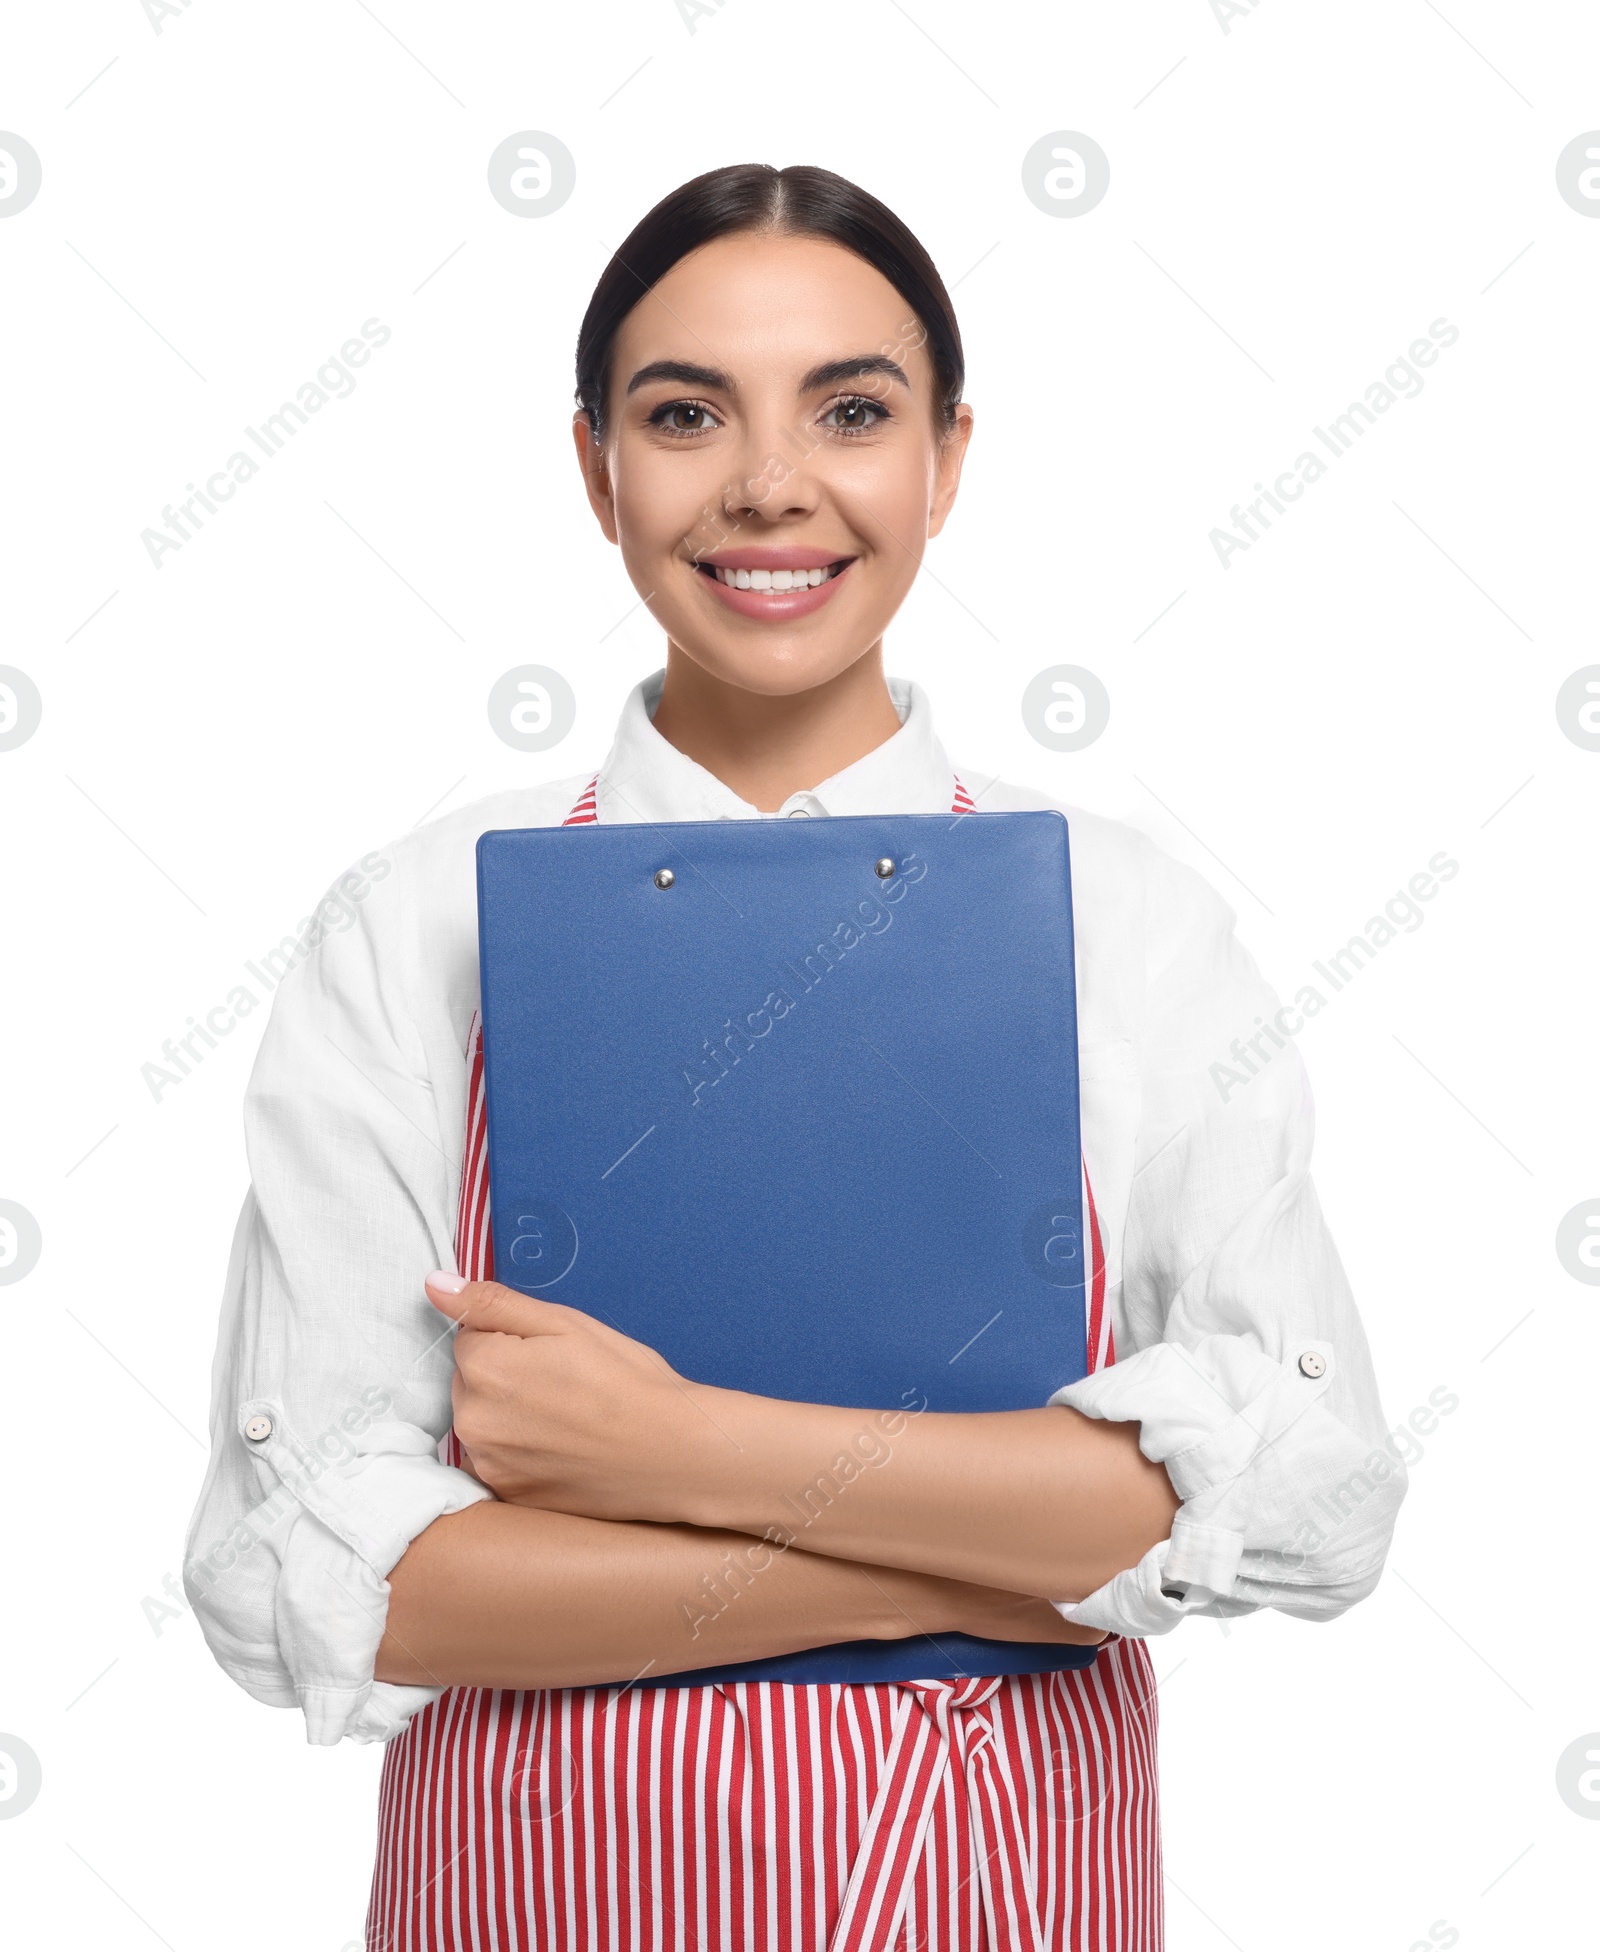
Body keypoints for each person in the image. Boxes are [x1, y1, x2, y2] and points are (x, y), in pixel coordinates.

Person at [186, 163, 1405, 1951]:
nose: (772, 483)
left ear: (949, 460)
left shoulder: (1126, 925)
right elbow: (320, 1580)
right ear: (597, 467)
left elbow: (1308, 1493)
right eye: (687, 415)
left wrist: (671, 1444)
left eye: (852, 409)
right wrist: (1016, 1560)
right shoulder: (412, 924)